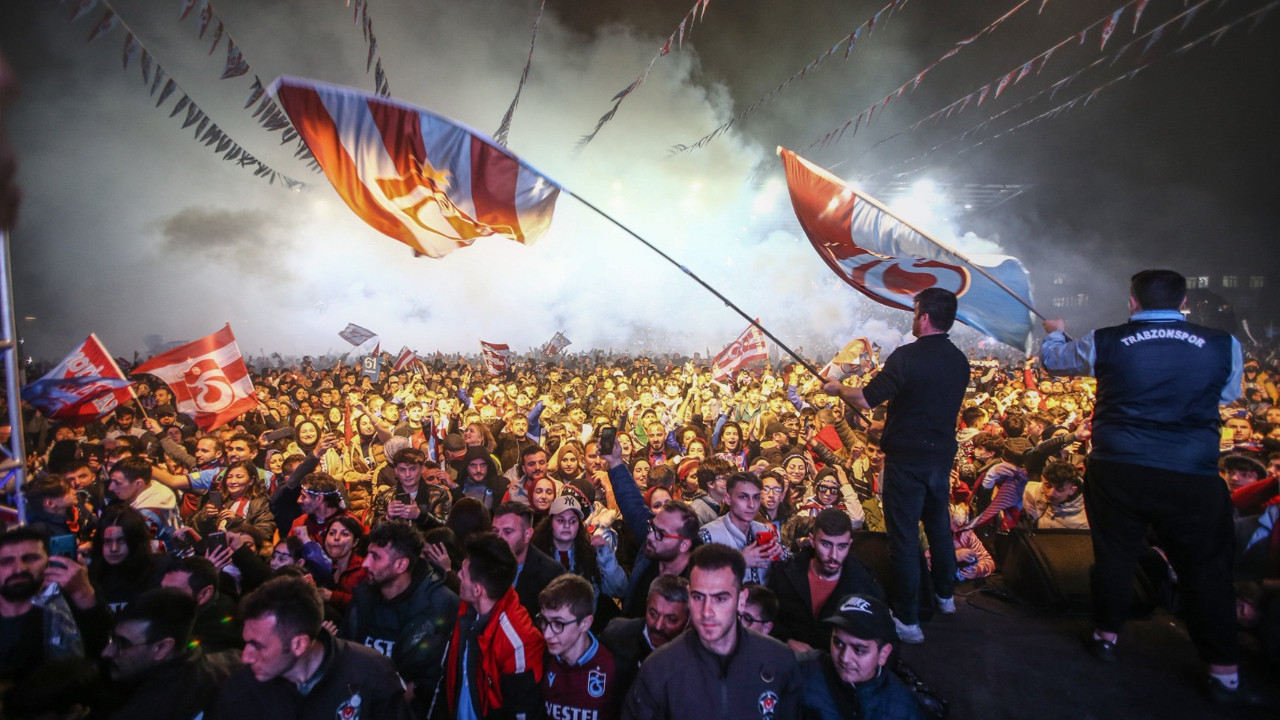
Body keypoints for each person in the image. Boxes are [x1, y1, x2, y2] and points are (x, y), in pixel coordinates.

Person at [1040, 268, 1257, 705]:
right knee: (1205, 569)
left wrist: (1055, 333)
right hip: (1191, 472)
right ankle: (1224, 673)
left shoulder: (1107, 340)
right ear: (1183, 303)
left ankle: (1106, 637)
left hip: (1119, 468)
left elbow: (1055, 362)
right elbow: (1227, 395)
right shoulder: (1223, 344)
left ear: (1133, 301)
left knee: (1115, 557)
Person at [822, 287, 969, 643]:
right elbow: (927, 407)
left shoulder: (906, 357)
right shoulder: (959, 360)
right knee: (938, 525)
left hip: (906, 461)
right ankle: (945, 596)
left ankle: (907, 619)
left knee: (903, 537)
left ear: (925, 317)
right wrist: (890, 425)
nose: (913, 318)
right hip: (939, 456)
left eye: (915, 312)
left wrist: (838, 389)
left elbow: (865, 398)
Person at [622, 544, 801, 720]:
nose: (707, 611)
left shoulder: (778, 661)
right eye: (698, 597)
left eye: (720, 598)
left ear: (741, 600)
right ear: (688, 596)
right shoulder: (658, 669)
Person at [210, 576, 412, 719]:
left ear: (299, 644)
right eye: (246, 643)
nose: (246, 656)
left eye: (258, 646)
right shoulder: (241, 688)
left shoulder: (372, 675)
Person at [342, 520, 459, 714]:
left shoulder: (440, 606)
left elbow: (435, 678)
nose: (365, 563)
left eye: (375, 557)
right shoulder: (363, 596)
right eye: (368, 554)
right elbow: (345, 649)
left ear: (401, 564)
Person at [439, 532, 545, 720]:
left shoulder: (518, 642)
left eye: (463, 573)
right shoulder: (466, 610)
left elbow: (521, 713)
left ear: (477, 590)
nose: (458, 575)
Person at [98, 588, 241, 720]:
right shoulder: (208, 666)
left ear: (162, 648)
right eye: (112, 639)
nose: (107, 652)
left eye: (122, 644)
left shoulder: (150, 709)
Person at [0, 526, 110, 682]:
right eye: (6, 562)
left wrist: (83, 593)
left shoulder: (71, 602)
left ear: (50, 561)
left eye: (31, 558)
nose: (19, 569)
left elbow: (102, 648)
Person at [768, 508, 884, 652]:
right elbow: (766, 615)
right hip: (787, 658)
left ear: (850, 544)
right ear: (812, 540)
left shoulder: (864, 583)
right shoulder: (786, 573)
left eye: (842, 546)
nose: (833, 555)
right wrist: (786, 641)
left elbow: (883, 636)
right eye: (826, 544)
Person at [797, 594, 927, 720]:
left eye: (858, 650)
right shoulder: (804, 669)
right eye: (838, 643)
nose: (845, 658)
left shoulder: (902, 709)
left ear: (883, 654)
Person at [538, 574, 621, 720]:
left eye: (558, 624)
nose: (547, 634)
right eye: (544, 621)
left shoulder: (614, 666)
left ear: (585, 624)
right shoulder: (542, 659)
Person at [600, 575, 689, 697]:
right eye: (653, 614)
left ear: (689, 620)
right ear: (646, 605)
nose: (658, 626)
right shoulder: (615, 636)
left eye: (671, 619)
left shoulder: (695, 659)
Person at [697, 471, 781, 585]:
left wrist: (781, 555)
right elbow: (699, 579)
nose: (751, 505)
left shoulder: (764, 530)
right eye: (743, 497)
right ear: (728, 499)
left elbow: (788, 561)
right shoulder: (707, 535)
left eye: (756, 498)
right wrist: (739, 561)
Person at [492, 500, 567, 617]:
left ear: (527, 535)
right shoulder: (481, 563)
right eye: (495, 531)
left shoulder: (551, 574)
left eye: (508, 532)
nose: (499, 537)